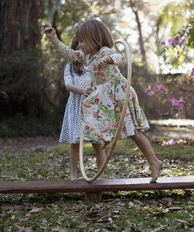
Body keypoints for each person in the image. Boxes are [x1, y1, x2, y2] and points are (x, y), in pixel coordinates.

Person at [45, 19, 163, 182]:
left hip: (118, 92)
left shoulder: (104, 52)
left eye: (82, 40)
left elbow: (120, 57)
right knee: (92, 112)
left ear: (94, 38)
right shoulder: (87, 57)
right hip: (104, 96)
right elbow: (69, 53)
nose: (79, 45)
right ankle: (105, 140)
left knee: (133, 132)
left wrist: (107, 60)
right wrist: (54, 39)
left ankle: (154, 161)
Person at [59, 36, 105, 180]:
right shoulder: (70, 67)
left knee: (97, 142)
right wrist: (83, 91)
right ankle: (73, 176)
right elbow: (68, 85)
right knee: (75, 142)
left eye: (83, 46)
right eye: (77, 47)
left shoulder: (94, 64)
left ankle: (101, 175)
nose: (81, 49)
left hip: (92, 107)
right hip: (76, 107)